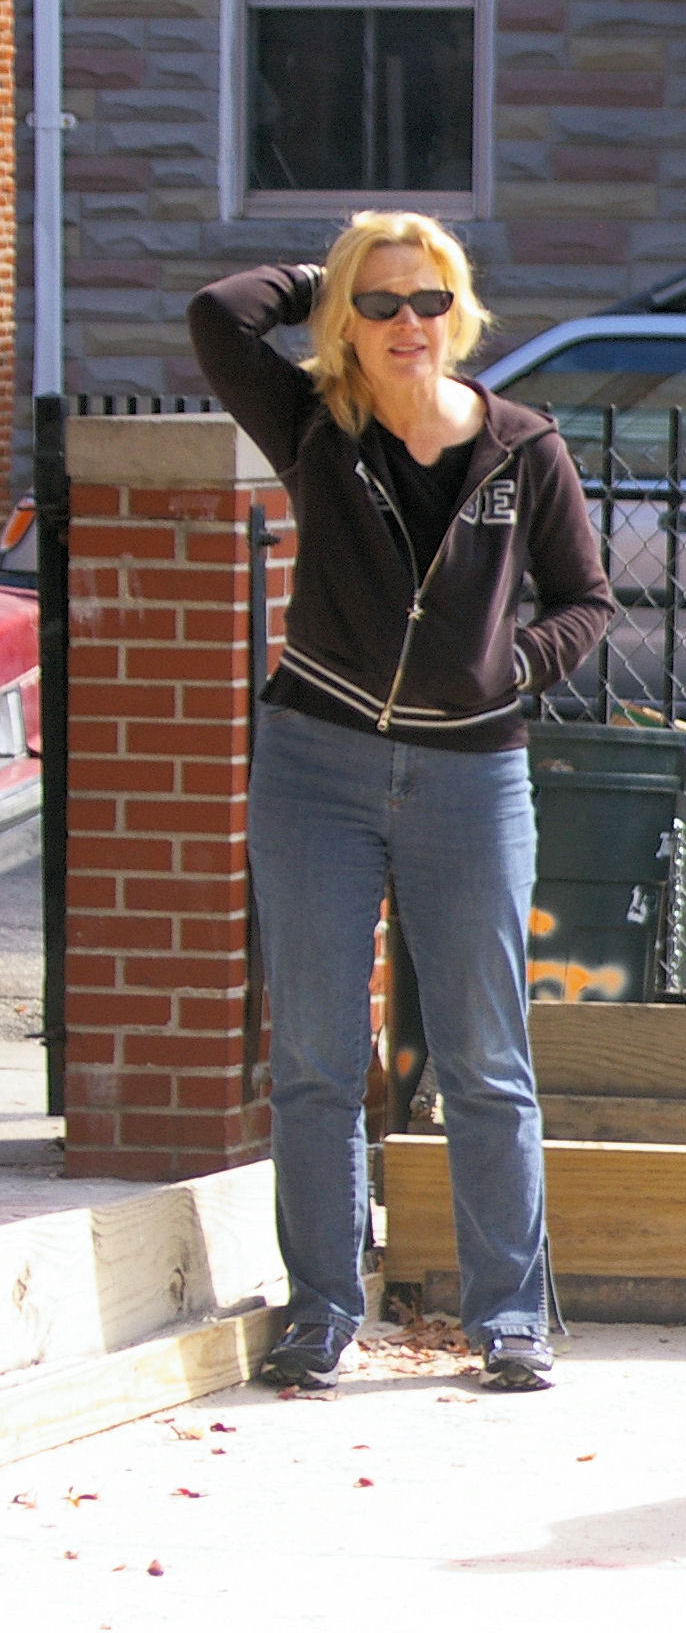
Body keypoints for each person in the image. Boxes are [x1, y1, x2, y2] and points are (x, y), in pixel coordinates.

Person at [191, 214, 615, 1394]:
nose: (405, 323)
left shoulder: (523, 448)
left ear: (458, 310)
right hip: (316, 764)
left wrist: (513, 666)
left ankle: (510, 1315)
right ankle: (324, 1308)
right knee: (317, 1055)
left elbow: (585, 600)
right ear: (346, 321)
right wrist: (321, 273)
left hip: (472, 777)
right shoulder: (313, 425)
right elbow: (219, 316)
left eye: (426, 299)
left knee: (484, 1055)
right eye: (376, 303)